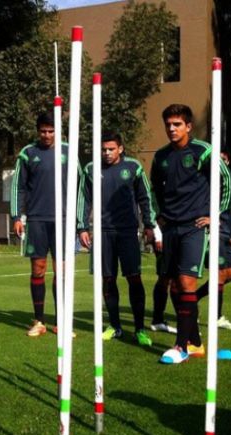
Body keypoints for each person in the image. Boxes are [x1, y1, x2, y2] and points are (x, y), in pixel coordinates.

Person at [150, 104, 231, 364]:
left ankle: (181, 346)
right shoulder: (161, 156)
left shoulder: (203, 151)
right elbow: (154, 189)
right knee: (175, 285)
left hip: (194, 226)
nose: (172, 129)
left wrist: (215, 214)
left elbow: (227, 182)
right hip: (170, 227)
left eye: (177, 124)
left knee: (186, 283)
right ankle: (195, 342)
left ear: (188, 126)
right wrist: (158, 215)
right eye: (168, 124)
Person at [77, 131, 156, 346]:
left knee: (134, 277)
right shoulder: (91, 169)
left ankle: (139, 329)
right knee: (107, 279)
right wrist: (82, 227)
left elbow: (145, 197)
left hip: (128, 231)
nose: (107, 153)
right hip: (102, 232)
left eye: (111, 149)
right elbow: (83, 199)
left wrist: (149, 225)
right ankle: (114, 326)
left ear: (120, 148)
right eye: (103, 149)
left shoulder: (133, 167)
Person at [10, 111, 78, 337]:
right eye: (43, 131)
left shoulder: (69, 151)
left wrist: (80, 219)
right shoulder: (28, 153)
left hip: (64, 220)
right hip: (37, 219)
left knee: (62, 271)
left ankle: (61, 322)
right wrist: (16, 216)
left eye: (51, 131)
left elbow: (81, 186)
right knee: (38, 268)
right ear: (37, 131)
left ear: (58, 131)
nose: (47, 135)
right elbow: (18, 186)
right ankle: (39, 321)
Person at [195, 150, 231, 330]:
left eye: (223, 159)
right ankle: (217, 317)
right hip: (214, 231)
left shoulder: (225, 185)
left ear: (227, 162)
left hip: (225, 232)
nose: (219, 162)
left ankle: (194, 297)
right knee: (219, 274)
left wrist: (230, 234)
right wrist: (210, 219)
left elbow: (228, 211)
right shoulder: (207, 182)